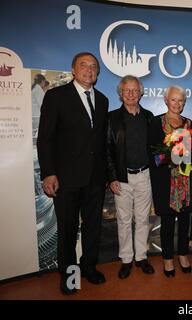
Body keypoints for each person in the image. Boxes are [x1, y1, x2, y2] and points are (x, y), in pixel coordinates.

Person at [37, 52, 109, 294]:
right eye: (84, 65)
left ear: (98, 73)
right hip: (66, 179)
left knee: (93, 227)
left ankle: (88, 268)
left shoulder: (103, 100)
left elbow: (99, 142)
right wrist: (48, 173)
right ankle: (69, 276)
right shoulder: (56, 96)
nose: (89, 70)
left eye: (94, 67)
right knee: (67, 230)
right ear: (73, 70)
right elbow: (45, 139)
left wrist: (107, 175)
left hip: (95, 179)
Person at [106, 75, 155, 279]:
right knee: (124, 221)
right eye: (127, 90)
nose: (131, 94)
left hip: (145, 175)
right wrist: (112, 178)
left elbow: (155, 149)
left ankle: (141, 257)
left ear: (141, 93)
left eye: (135, 90)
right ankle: (126, 259)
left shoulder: (149, 117)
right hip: (122, 179)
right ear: (120, 94)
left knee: (143, 220)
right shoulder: (111, 118)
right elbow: (107, 150)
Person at [150, 86, 192, 278]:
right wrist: (173, 155)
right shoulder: (155, 122)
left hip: (185, 180)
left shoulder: (189, 123)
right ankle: (168, 259)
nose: (177, 104)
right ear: (166, 100)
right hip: (165, 180)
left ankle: (183, 255)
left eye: (181, 101)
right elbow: (153, 154)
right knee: (167, 222)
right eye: (173, 100)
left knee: (185, 220)